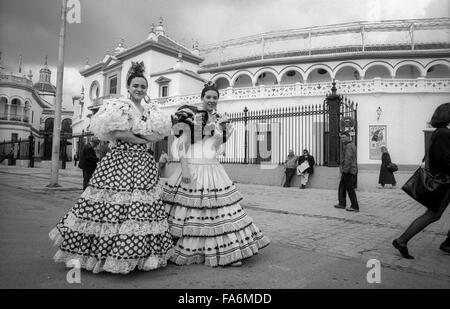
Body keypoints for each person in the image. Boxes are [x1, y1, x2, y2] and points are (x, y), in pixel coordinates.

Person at [49, 61, 174, 274]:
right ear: (128, 87)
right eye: (135, 85)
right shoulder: (119, 106)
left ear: (146, 90)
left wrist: (137, 136)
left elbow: (159, 134)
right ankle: (102, 255)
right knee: (110, 206)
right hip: (119, 163)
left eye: (143, 87)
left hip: (143, 165)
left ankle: (137, 256)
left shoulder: (152, 110)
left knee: (139, 210)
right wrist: (144, 137)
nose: (139, 89)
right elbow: (118, 134)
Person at [162, 81, 270, 267]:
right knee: (196, 212)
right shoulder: (193, 117)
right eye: (208, 97)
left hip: (213, 168)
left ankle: (225, 251)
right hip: (193, 168)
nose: (211, 100)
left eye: (215, 97)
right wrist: (186, 169)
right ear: (202, 98)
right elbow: (182, 147)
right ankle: (194, 249)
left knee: (218, 212)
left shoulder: (222, 119)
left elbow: (216, 146)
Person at [392, 103, 450, 259]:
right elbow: (445, 159)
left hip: (444, 181)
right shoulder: (444, 133)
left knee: (433, 215)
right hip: (444, 182)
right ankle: (402, 240)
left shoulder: (439, 132)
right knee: (432, 215)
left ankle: (403, 240)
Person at [334, 132, 359, 212]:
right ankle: (342, 203)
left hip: (348, 170)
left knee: (350, 189)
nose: (342, 139)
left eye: (344, 137)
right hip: (349, 170)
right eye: (341, 137)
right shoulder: (350, 145)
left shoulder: (349, 146)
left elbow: (348, 159)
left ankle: (355, 206)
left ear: (348, 137)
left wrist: (344, 170)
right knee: (342, 187)